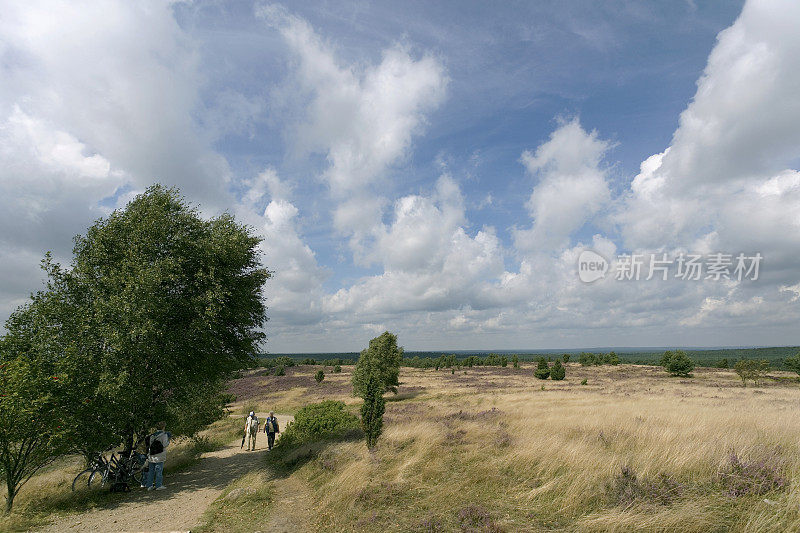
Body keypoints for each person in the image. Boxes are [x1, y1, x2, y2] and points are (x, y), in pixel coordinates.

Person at [145, 421, 170, 491]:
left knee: (151, 471)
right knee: (159, 470)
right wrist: (168, 442)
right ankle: (158, 485)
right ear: (163, 427)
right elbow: (165, 444)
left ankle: (149, 486)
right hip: (159, 455)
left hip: (151, 455)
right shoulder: (164, 435)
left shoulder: (152, 435)